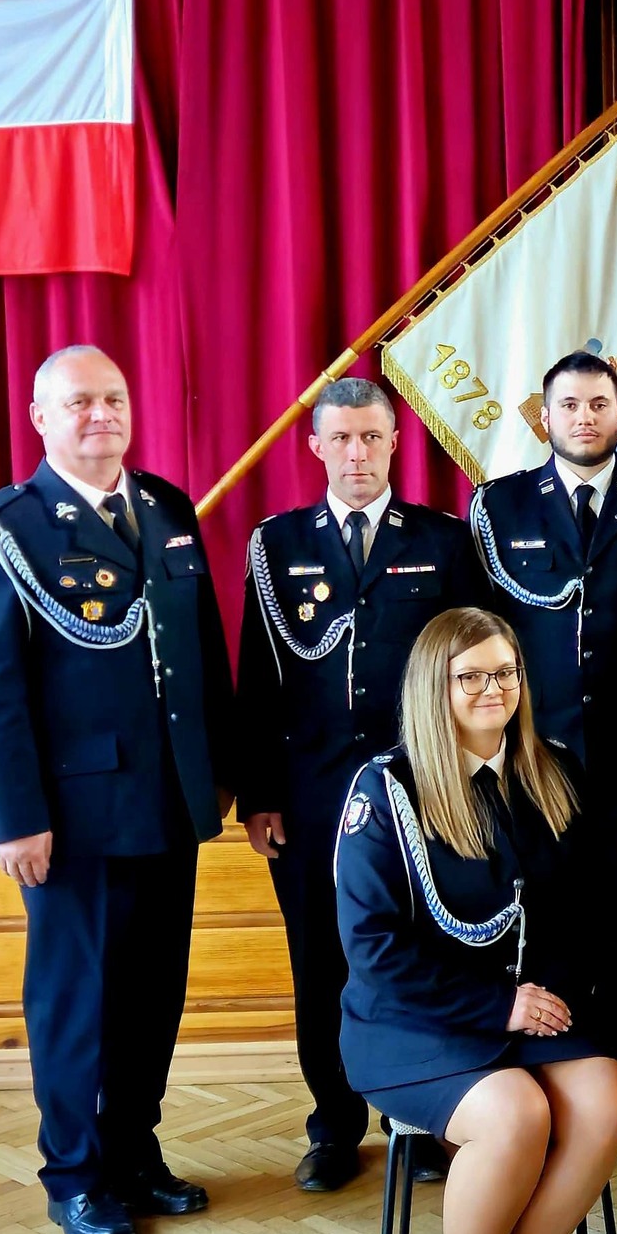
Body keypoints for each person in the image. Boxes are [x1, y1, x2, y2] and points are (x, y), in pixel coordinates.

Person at [0, 344, 233, 1234]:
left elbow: (203, 656)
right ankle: (75, 1173)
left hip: (168, 802)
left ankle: (133, 1150)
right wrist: (16, 816)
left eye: (113, 397)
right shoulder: (3, 528)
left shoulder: (167, 508)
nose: (100, 413)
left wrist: (221, 772)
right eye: (78, 403)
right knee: (78, 1001)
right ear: (41, 419)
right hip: (71, 819)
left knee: (154, 993)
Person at [337, 607, 617, 1234]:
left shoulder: (553, 767)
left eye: (504, 672)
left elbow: (593, 909)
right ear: (435, 688)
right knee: (515, 1114)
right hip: (414, 1022)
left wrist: (569, 1001)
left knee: (607, 1096)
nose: (490, 689)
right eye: (468, 676)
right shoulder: (387, 791)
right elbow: (374, 950)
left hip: (533, 1005)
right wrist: (497, 1005)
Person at [236, 377, 485, 1192]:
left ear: (394, 444)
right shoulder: (276, 547)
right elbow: (258, 681)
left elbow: (469, 667)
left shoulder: (444, 542)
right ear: (316, 448)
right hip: (309, 800)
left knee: (421, 954)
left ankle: (417, 1119)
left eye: (371, 438)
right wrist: (260, 793)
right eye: (340, 439)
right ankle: (334, 1123)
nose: (356, 453)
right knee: (322, 964)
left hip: (422, 795)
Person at [469, 348, 617, 1157]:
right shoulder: (498, 508)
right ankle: (553, 1082)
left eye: (599, 404)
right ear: (547, 416)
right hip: (533, 763)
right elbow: (478, 638)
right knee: (554, 927)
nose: (583, 417)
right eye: (568, 404)